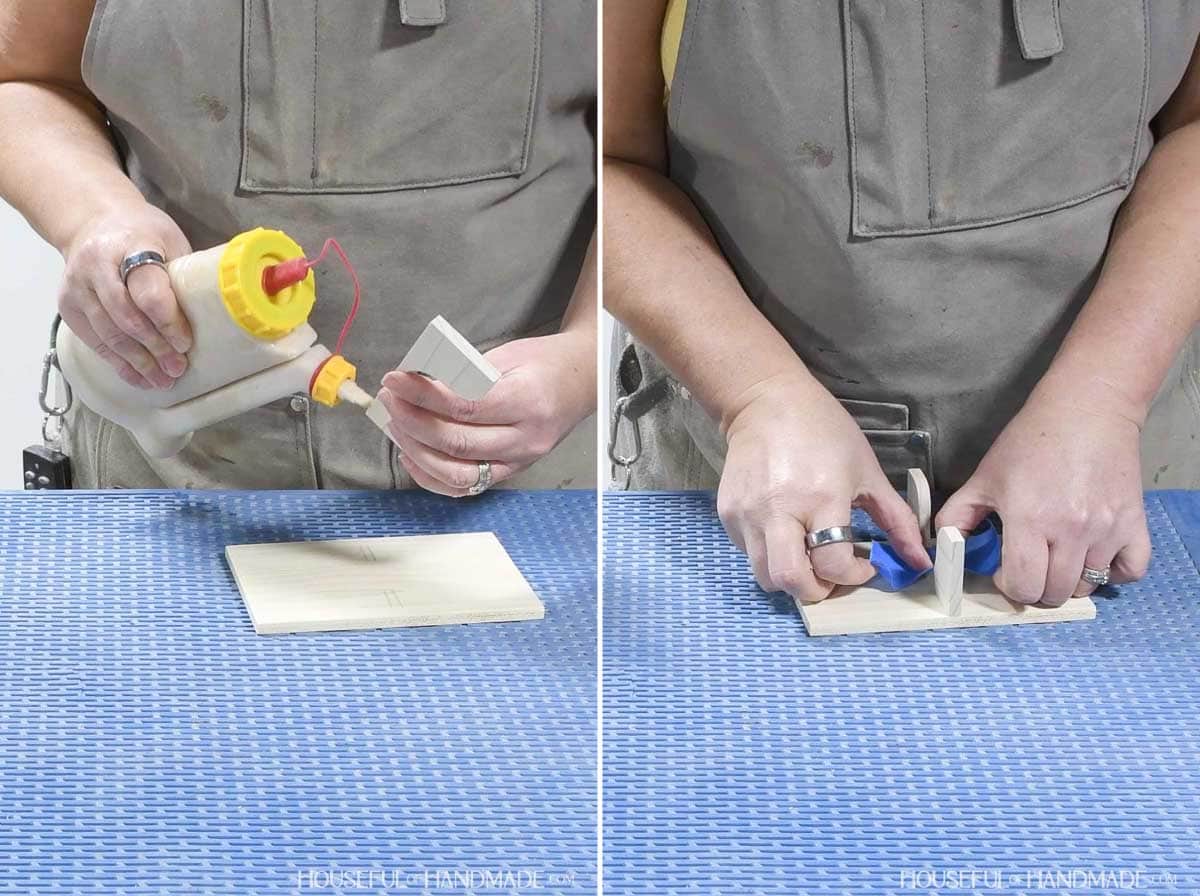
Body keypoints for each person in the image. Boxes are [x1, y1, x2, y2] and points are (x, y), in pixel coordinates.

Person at [604, 0, 1200, 607]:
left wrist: (1105, 399)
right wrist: (756, 394)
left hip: (1110, 485)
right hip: (747, 481)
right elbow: (608, 160)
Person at [0, 0, 596, 492]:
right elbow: (27, 77)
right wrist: (96, 217)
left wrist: (585, 356)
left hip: (521, 490)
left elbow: (643, 147)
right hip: (167, 478)